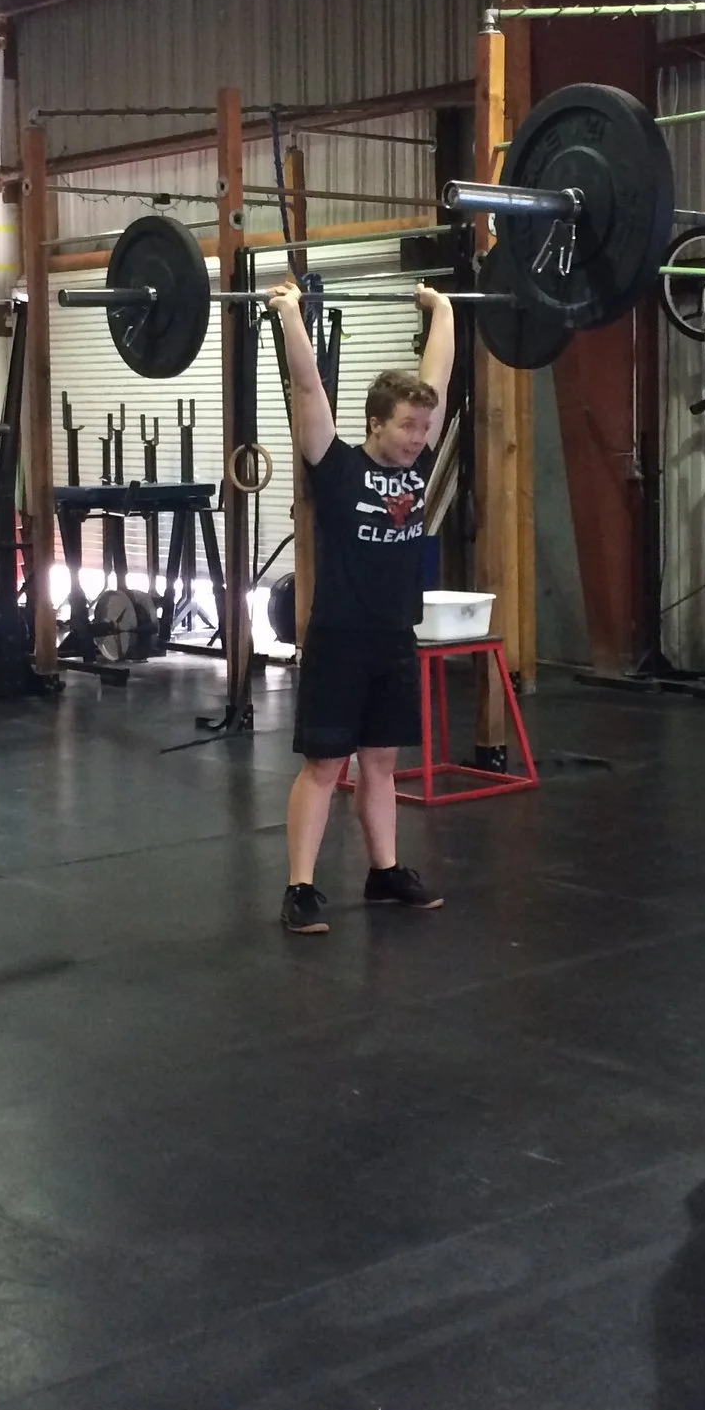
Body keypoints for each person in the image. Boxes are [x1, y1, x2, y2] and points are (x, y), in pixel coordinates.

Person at [267, 279, 454, 935]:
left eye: (424, 427)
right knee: (325, 766)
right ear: (375, 422)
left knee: (382, 762)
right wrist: (290, 315)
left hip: (394, 637)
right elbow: (308, 388)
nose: (418, 437)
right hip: (340, 638)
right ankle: (300, 887)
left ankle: (385, 871)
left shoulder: (417, 467)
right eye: (406, 425)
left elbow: (437, 376)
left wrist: (443, 310)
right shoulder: (336, 465)